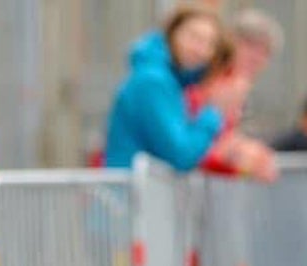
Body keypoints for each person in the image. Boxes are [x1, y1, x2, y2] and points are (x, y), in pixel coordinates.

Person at [103, 2, 245, 171]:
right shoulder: (154, 82)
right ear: (172, 33)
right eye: (194, 37)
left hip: (141, 192)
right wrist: (214, 112)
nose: (200, 49)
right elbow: (181, 155)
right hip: (132, 193)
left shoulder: (173, 83)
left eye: (210, 43)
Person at [189, 9, 283, 180]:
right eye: (250, 46)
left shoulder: (237, 87)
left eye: (265, 52)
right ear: (229, 42)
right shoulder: (206, 81)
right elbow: (196, 149)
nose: (256, 57)